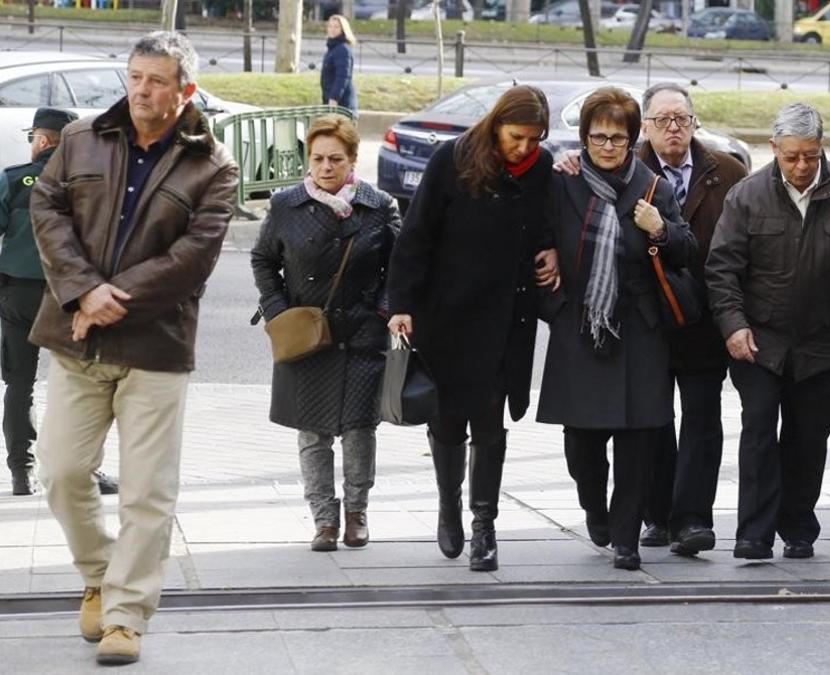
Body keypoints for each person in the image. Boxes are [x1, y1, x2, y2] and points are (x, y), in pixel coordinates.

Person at [29, 31, 237, 665]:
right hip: (76, 339)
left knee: (148, 492)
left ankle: (124, 616)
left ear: (186, 90)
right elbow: (47, 205)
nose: (142, 90)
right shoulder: (80, 137)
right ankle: (99, 573)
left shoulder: (215, 165)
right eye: (135, 77)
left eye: (157, 81)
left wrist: (108, 296)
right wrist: (81, 291)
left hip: (156, 346)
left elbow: (192, 258)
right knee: (61, 473)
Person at [387, 85, 559, 572]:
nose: (524, 148)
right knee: (446, 421)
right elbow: (416, 235)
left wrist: (551, 249)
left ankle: (485, 525)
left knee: (489, 421)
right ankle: (448, 506)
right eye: (516, 137)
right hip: (448, 316)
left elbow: (545, 223)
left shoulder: (541, 169)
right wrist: (401, 304)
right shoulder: (452, 159)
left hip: (506, 320)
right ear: (496, 124)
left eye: (534, 139)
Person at [537, 87, 695, 571]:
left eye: (618, 138)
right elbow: (540, 236)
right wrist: (551, 280)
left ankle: (626, 537)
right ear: (584, 138)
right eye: (598, 137)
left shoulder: (653, 188)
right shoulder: (563, 180)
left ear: (632, 140)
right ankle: (594, 509)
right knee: (581, 443)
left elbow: (686, 250)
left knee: (637, 443)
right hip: (580, 324)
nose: (607, 147)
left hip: (638, 329)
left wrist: (660, 230)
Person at [706, 102, 830, 561]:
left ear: (822, 149)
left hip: (821, 341)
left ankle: (799, 525)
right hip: (760, 341)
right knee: (759, 431)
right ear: (773, 149)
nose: (802, 167)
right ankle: (753, 534)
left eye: (811, 156)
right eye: (792, 156)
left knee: (808, 439)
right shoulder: (746, 196)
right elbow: (721, 270)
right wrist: (733, 327)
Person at [252, 115, 399, 554]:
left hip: (361, 335)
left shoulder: (379, 206)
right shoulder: (285, 206)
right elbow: (262, 260)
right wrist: (279, 311)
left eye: (336, 158)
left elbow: (399, 268)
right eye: (317, 158)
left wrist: (383, 310)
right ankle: (323, 520)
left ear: (353, 159)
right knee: (312, 432)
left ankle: (357, 513)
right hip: (304, 336)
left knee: (359, 429)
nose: (325, 166)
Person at [634, 83, 748, 555]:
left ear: (694, 122)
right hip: (648, 320)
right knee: (653, 419)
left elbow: (746, 244)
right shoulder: (628, 170)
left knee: (702, 419)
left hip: (705, 319)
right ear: (645, 126)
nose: (674, 127)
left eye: (682, 118)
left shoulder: (726, 171)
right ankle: (657, 514)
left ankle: (693, 520)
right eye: (663, 120)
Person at [0, 107, 120, 498]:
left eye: (33, 136)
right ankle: (82, 471)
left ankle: (22, 471)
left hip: (19, 294)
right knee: (83, 386)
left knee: (20, 384)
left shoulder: (15, 180)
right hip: (75, 299)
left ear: (44, 140)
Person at [322, 14, 358, 114]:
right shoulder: (333, 47)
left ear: (343, 29)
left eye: (336, 27)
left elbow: (342, 77)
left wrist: (334, 98)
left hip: (342, 104)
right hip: (332, 101)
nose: (332, 29)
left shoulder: (342, 49)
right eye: (330, 26)